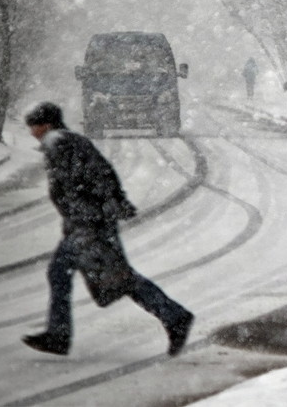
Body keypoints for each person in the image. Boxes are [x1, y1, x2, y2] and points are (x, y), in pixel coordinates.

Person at [21, 101, 193, 357]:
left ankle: (175, 316)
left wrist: (91, 216)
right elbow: (100, 173)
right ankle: (59, 334)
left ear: (45, 125)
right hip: (87, 223)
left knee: (118, 278)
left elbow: (86, 181)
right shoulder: (68, 143)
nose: (31, 132)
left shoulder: (60, 144)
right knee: (82, 274)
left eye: (33, 126)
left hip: (89, 225)